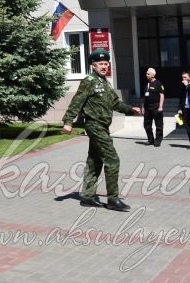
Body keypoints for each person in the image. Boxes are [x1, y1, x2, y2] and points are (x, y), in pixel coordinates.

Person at [62, 48, 141, 211]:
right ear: (93, 65)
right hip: (94, 125)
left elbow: (115, 103)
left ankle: (87, 197)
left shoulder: (105, 82)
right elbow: (77, 101)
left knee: (94, 161)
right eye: (101, 64)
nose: (104, 66)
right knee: (112, 160)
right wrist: (68, 121)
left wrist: (130, 110)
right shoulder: (89, 80)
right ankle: (112, 199)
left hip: (103, 126)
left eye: (106, 63)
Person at [140, 67, 165, 147]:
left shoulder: (158, 83)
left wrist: (160, 106)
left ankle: (158, 140)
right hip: (147, 107)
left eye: (148, 74)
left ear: (153, 75)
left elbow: (162, 95)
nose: (146, 75)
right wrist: (143, 106)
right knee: (147, 125)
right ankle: (150, 140)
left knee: (159, 125)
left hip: (156, 106)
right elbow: (145, 96)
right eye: (146, 73)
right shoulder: (147, 84)